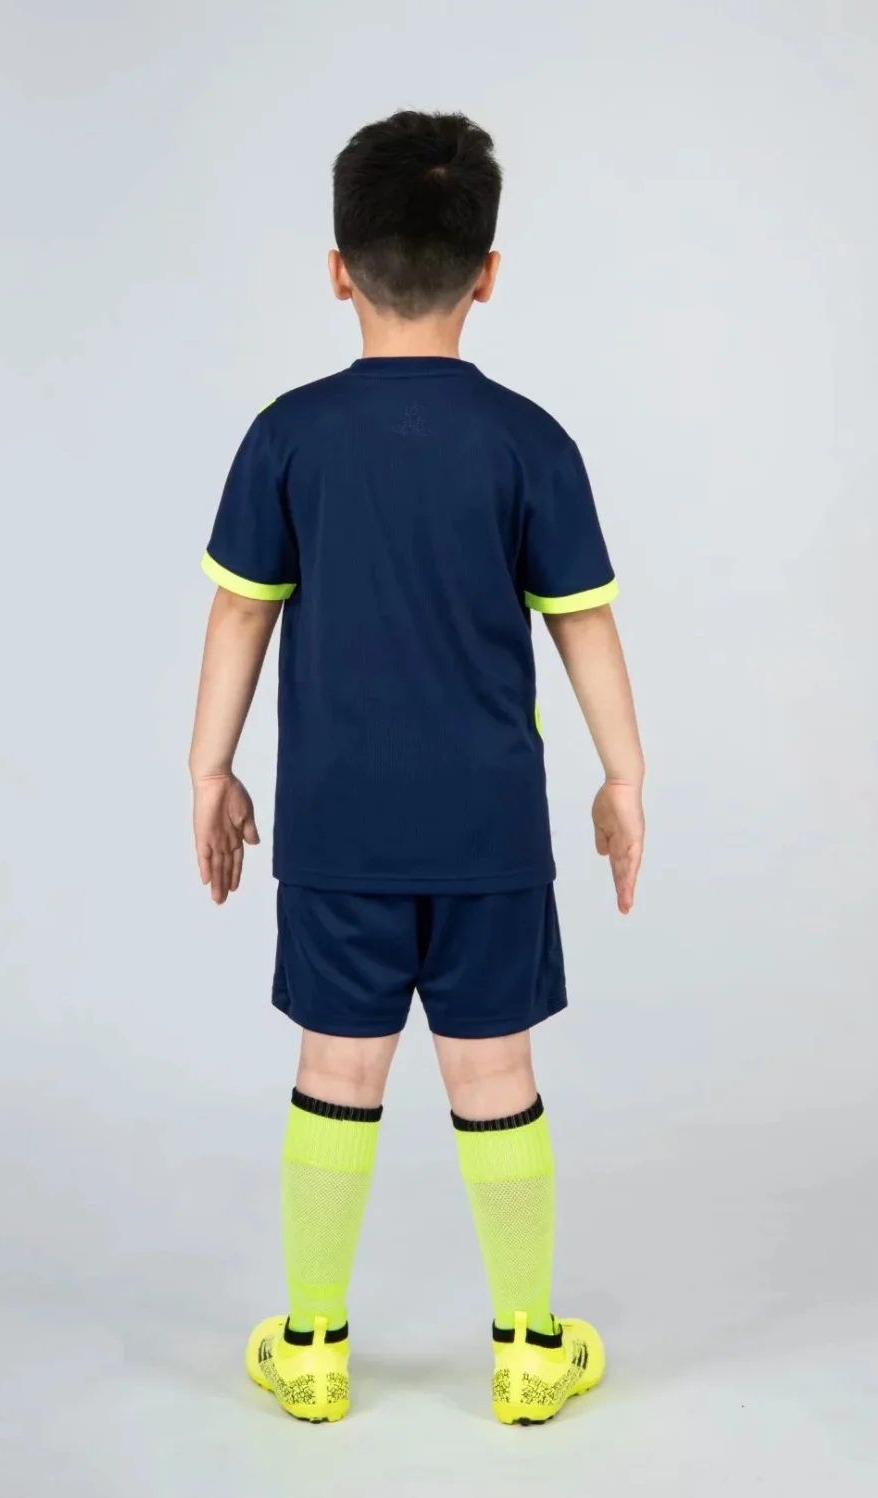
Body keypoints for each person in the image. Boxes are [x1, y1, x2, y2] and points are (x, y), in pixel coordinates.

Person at [188, 110, 645, 1427]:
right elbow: (584, 624)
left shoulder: (288, 434)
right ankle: (528, 1349)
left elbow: (240, 610)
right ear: (487, 273)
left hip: (338, 828)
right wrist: (624, 776)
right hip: (491, 831)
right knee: (494, 1077)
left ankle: (313, 1346)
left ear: (338, 269)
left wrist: (210, 769)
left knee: (337, 1071)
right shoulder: (530, 441)